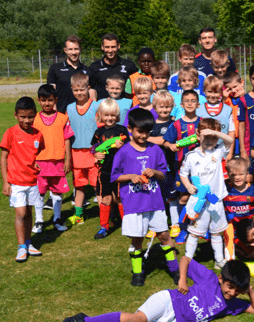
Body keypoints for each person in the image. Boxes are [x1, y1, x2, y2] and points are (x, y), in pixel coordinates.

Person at [54, 257, 254, 322]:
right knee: (135, 321)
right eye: (230, 287)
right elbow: (186, 259)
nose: (232, 293)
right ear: (221, 279)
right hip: (170, 301)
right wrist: (181, 278)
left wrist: (249, 291)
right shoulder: (209, 278)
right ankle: (80, 321)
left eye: (237, 290)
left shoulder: (232, 304)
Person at [111, 108, 175, 287]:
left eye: (147, 132)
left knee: (164, 235)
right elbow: (115, 176)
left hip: (155, 202)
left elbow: (163, 173)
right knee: (137, 238)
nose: (143, 135)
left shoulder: (155, 150)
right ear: (130, 129)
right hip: (134, 203)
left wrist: (154, 172)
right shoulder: (123, 152)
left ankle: (175, 269)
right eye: (140, 131)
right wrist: (131, 176)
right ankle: (138, 272)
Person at [180, 118, 234, 269]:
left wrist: (214, 132)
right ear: (198, 136)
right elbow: (183, 173)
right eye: (206, 137)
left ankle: (219, 260)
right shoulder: (191, 156)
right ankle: (188, 260)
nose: (210, 140)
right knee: (195, 233)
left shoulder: (219, 151)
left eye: (214, 138)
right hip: (199, 203)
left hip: (216, 201)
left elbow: (230, 140)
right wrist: (188, 185)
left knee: (217, 232)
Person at [0, 96, 45, 262]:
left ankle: (28, 243)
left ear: (35, 115)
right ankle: (20, 248)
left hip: (32, 182)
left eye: (30, 116)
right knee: (21, 213)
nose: (27, 120)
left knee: (29, 213)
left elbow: (38, 155)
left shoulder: (38, 135)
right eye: (23, 117)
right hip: (16, 183)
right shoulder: (10, 133)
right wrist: (5, 182)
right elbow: (3, 157)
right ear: (15, 115)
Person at [32, 85, 72, 234]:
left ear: (55, 100)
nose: (47, 103)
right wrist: (32, 160)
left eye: (50, 100)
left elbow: (67, 139)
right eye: (43, 100)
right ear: (38, 101)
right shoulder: (34, 119)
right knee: (39, 192)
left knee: (57, 192)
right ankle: (39, 220)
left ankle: (57, 218)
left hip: (57, 161)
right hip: (40, 162)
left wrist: (67, 160)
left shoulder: (63, 118)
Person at [163, 90, 202, 244]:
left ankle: (201, 228)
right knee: (184, 198)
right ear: (181, 104)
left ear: (198, 104)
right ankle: (183, 228)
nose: (190, 103)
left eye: (193, 101)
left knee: (201, 197)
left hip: (200, 168)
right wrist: (170, 145)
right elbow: (166, 141)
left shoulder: (203, 122)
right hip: (182, 168)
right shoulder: (177, 124)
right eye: (187, 101)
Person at [91, 99, 129, 239]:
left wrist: (123, 146)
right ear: (100, 115)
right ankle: (104, 227)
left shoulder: (121, 130)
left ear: (117, 116)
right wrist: (95, 154)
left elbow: (130, 148)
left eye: (113, 115)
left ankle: (127, 225)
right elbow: (93, 147)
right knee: (105, 199)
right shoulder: (98, 132)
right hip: (104, 171)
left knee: (120, 198)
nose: (109, 118)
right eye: (106, 115)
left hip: (120, 171)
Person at [65, 73, 99, 226]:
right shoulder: (70, 108)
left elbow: (102, 129)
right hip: (76, 153)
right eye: (76, 90)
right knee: (79, 186)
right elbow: (66, 132)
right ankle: (78, 215)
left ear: (88, 88)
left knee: (97, 186)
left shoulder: (96, 106)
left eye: (82, 90)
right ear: (72, 89)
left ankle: (106, 216)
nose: (79, 93)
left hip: (93, 153)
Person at [148, 90, 180, 238]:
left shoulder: (174, 124)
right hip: (154, 168)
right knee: (155, 197)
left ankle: (175, 224)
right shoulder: (150, 126)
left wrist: (153, 139)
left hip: (171, 166)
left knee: (172, 196)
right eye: (161, 107)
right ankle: (156, 226)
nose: (164, 110)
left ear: (172, 107)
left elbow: (165, 140)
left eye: (167, 107)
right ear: (154, 107)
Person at [224, 158, 254, 259]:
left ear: (247, 174)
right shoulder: (226, 189)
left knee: (251, 253)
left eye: (240, 174)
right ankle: (229, 257)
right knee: (228, 233)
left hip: (248, 225)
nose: (237, 178)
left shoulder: (252, 189)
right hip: (232, 225)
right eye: (233, 175)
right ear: (228, 175)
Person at [47, 35, 92, 113]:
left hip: (83, 115)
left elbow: (92, 94)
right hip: (61, 114)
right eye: (70, 49)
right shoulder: (55, 69)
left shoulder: (88, 70)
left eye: (76, 49)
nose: (73, 52)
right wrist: (54, 114)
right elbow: (51, 94)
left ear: (80, 49)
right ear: (65, 50)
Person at [89, 33, 138, 101]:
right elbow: (92, 90)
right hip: (103, 109)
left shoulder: (129, 65)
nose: (110, 50)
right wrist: (95, 107)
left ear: (118, 46)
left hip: (124, 109)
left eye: (113, 47)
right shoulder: (94, 67)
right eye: (107, 47)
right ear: (102, 47)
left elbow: (136, 86)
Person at [197, 76, 236, 159]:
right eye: (210, 92)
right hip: (204, 152)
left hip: (222, 152)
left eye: (216, 92)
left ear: (221, 92)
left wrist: (230, 154)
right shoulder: (199, 110)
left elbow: (231, 132)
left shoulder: (227, 109)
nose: (213, 95)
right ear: (204, 91)